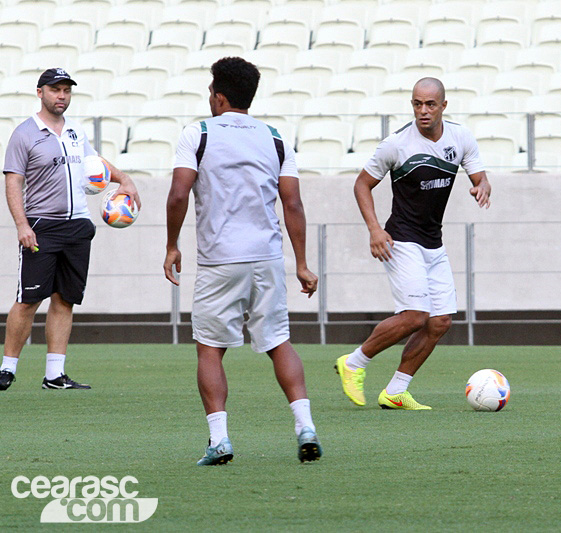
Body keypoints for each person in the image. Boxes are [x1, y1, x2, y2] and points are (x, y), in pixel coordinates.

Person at [164, 57, 321, 465]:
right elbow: (293, 203)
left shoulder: (197, 132)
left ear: (218, 96)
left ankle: (220, 440)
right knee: (278, 342)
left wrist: (171, 245)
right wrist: (302, 263)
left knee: (210, 349)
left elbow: (179, 194)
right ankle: (305, 426)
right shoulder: (274, 137)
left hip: (220, 260)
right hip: (267, 258)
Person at [335, 77, 491, 410]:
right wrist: (375, 230)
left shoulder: (460, 137)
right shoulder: (395, 145)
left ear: (443, 106)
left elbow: (479, 175)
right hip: (401, 240)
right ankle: (353, 363)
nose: (423, 111)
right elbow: (362, 185)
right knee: (416, 316)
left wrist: (483, 187)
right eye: (417, 104)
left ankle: (395, 391)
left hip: (433, 243)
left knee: (441, 321)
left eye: (430, 104)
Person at [1, 68, 140, 392]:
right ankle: (7, 368)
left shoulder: (77, 131)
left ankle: (55, 374)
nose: (61, 96)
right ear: (40, 93)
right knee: (28, 299)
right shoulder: (24, 133)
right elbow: (13, 181)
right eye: (55, 90)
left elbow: (94, 163)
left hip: (78, 225)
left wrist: (124, 179)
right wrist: (22, 225)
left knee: (66, 299)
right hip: (41, 226)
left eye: (66, 90)